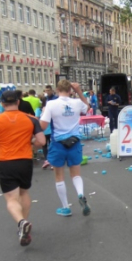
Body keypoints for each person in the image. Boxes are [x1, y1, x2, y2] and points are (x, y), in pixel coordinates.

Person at [0, 90, 46, 247]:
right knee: (24, 193)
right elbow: (41, 141)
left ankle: (21, 222)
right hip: (25, 161)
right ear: (18, 102)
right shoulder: (31, 119)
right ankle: (24, 225)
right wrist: (30, 145)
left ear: (2, 103)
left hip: (6, 162)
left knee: (11, 198)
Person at [40, 80, 91, 217]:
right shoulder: (77, 102)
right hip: (74, 142)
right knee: (76, 174)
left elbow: (43, 126)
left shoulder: (51, 104)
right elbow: (87, 108)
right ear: (70, 90)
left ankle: (65, 207)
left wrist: (42, 114)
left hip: (58, 143)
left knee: (59, 176)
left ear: (57, 90)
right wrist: (79, 91)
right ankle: (80, 194)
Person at [35, 96, 52, 170]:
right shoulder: (50, 109)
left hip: (42, 130)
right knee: (51, 146)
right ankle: (52, 162)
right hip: (51, 130)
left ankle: (47, 160)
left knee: (44, 146)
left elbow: (36, 118)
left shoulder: (38, 109)